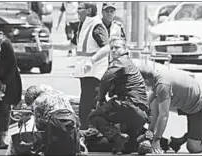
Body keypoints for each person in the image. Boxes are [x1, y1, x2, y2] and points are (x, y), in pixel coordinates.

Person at [139, 65, 202, 154]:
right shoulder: (157, 77)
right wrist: (149, 134)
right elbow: (150, 104)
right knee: (155, 103)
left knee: (194, 148)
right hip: (188, 104)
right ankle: (172, 139)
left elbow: (163, 116)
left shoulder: (162, 86)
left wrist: (156, 140)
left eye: (140, 82)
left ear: (146, 80)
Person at [41, 2, 110, 130]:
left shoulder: (96, 26)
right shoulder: (83, 26)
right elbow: (71, 45)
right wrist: (51, 46)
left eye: (80, 9)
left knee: (88, 107)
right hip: (86, 73)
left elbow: (106, 47)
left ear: (88, 11)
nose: (76, 12)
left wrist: (92, 61)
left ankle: (90, 133)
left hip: (94, 74)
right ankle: (92, 133)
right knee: (89, 106)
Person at [88, 37, 149, 154]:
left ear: (125, 49)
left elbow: (106, 78)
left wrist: (100, 99)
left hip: (128, 107)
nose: (114, 50)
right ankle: (157, 142)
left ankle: (117, 137)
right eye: (111, 48)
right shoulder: (130, 64)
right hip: (140, 115)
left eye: (117, 47)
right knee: (128, 148)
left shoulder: (120, 61)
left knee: (94, 116)